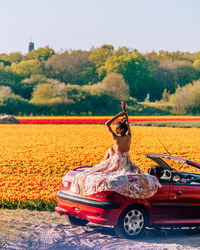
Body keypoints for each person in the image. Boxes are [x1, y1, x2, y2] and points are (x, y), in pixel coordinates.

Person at [70, 102, 161, 199]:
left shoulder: (115, 138)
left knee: (104, 166)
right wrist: (125, 113)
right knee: (110, 150)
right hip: (126, 160)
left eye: (118, 128)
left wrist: (119, 115)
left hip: (117, 161)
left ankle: (101, 163)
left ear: (122, 129)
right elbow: (128, 124)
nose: (116, 130)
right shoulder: (129, 136)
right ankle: (102, 163)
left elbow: (107, 123)